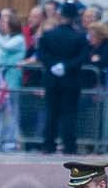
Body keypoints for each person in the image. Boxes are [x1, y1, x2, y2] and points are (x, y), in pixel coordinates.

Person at [37, 9, 90, 155]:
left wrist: (53, 65)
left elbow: (41, 54)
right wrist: (66, 66)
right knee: (69, 114)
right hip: (71, 80)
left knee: (51, 113)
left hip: (53, 80)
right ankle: (69, 146)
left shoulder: (48, 35)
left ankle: (48, 145)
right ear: (74, 18)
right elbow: (83, 57)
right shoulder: (80, 37)